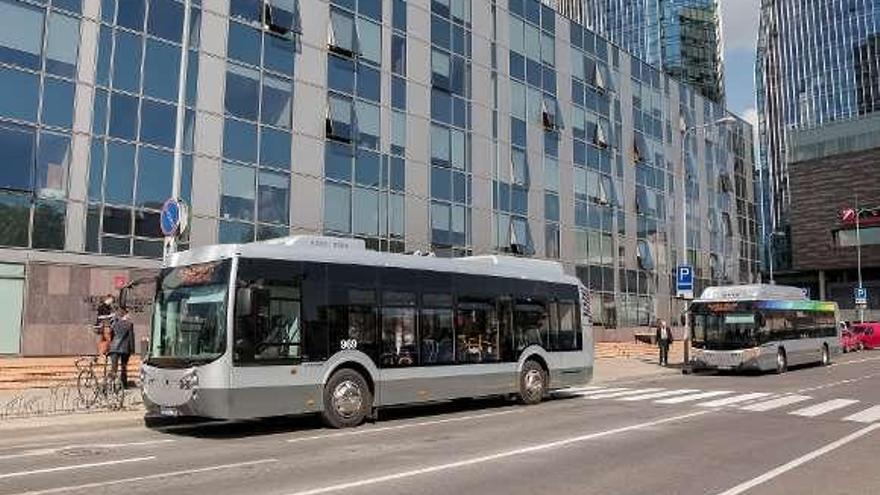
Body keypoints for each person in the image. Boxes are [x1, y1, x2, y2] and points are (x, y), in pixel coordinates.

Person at [109, 309, 136, 389]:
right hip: (124, 348)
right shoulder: (129, 324)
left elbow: (111, 336)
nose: (129, 316)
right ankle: (124, 384)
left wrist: (111, 346)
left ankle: (111, 384)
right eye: (128, 315)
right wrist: (132, 350)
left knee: (114, 367)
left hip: (114, 348)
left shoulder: (114, 324)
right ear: (125, 315)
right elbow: (131, 338)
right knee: (124, 367)